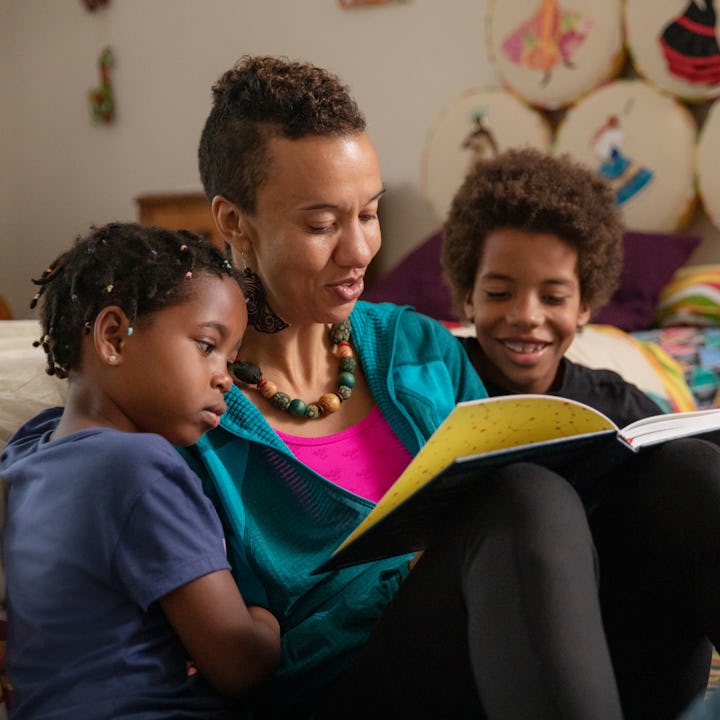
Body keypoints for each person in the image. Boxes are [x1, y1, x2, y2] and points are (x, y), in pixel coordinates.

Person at [187, 54, 629, 719]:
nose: (361, 250)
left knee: (682, 474)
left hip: (500, 658)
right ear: (233, 222)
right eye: (321, 224)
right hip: (345, 688)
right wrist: (413, 576)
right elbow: (256, 660)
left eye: (368, 213)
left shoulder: (417, 348)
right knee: (520, 497)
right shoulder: (194, 405)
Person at [441, 146, 720, 720]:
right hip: (475, 648)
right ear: (466, 296)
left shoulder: (617, 401)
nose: (526, 315)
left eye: (553, 296)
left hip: (622, 649)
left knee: (694, 467)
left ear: (587, 303)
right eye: (498, 292)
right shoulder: (429, 382)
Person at [0, 223, 281, 719]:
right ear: (113, 336)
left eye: (232, 359)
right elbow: (239, 663)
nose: (226, 380)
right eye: (206, 345)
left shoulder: (27, 455)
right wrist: (266, 620)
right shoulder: (138, 467)